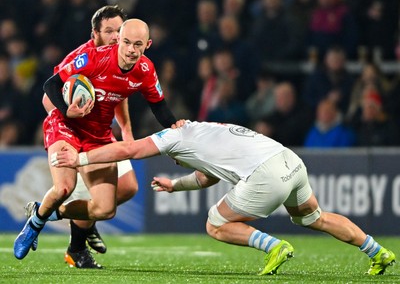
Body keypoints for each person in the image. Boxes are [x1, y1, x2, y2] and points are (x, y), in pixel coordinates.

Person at [51, 120, 395, 276]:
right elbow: (207, 175)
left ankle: (273, 246)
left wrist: (80, 159)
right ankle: (378, 252)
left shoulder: (170, 137)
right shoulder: (205, 131)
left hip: (265, 173)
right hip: (291, 162)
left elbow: (129, 148)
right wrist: (175, 185)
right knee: (314, 217)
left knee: (216, 224)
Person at [13, 18, 184, 263]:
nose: (131, 50)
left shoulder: (145, 70)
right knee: (64, 188)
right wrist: (66, 110)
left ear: (148, 44)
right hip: (66, 126)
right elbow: (51, 85)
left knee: (105, 209)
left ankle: (44, 211)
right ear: (118, 41)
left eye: (137, 44)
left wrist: (175, 128)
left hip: (98, 135)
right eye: (126, 42)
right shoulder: (93, 58)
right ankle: (38, 223)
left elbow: (159, 107)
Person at [39, 5, 137, 269]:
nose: (117, 36)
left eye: (120, 30)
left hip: (102, 133)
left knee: (129, 187)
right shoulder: (83, 58)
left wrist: (126, 132)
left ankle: (84, 220)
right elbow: (49, 96)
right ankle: (76, 248)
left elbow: (119, 95)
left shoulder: (121, 55)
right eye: (110, 31)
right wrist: (69, 118)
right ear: (95, 33)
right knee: (95, 199)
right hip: (79, 137)